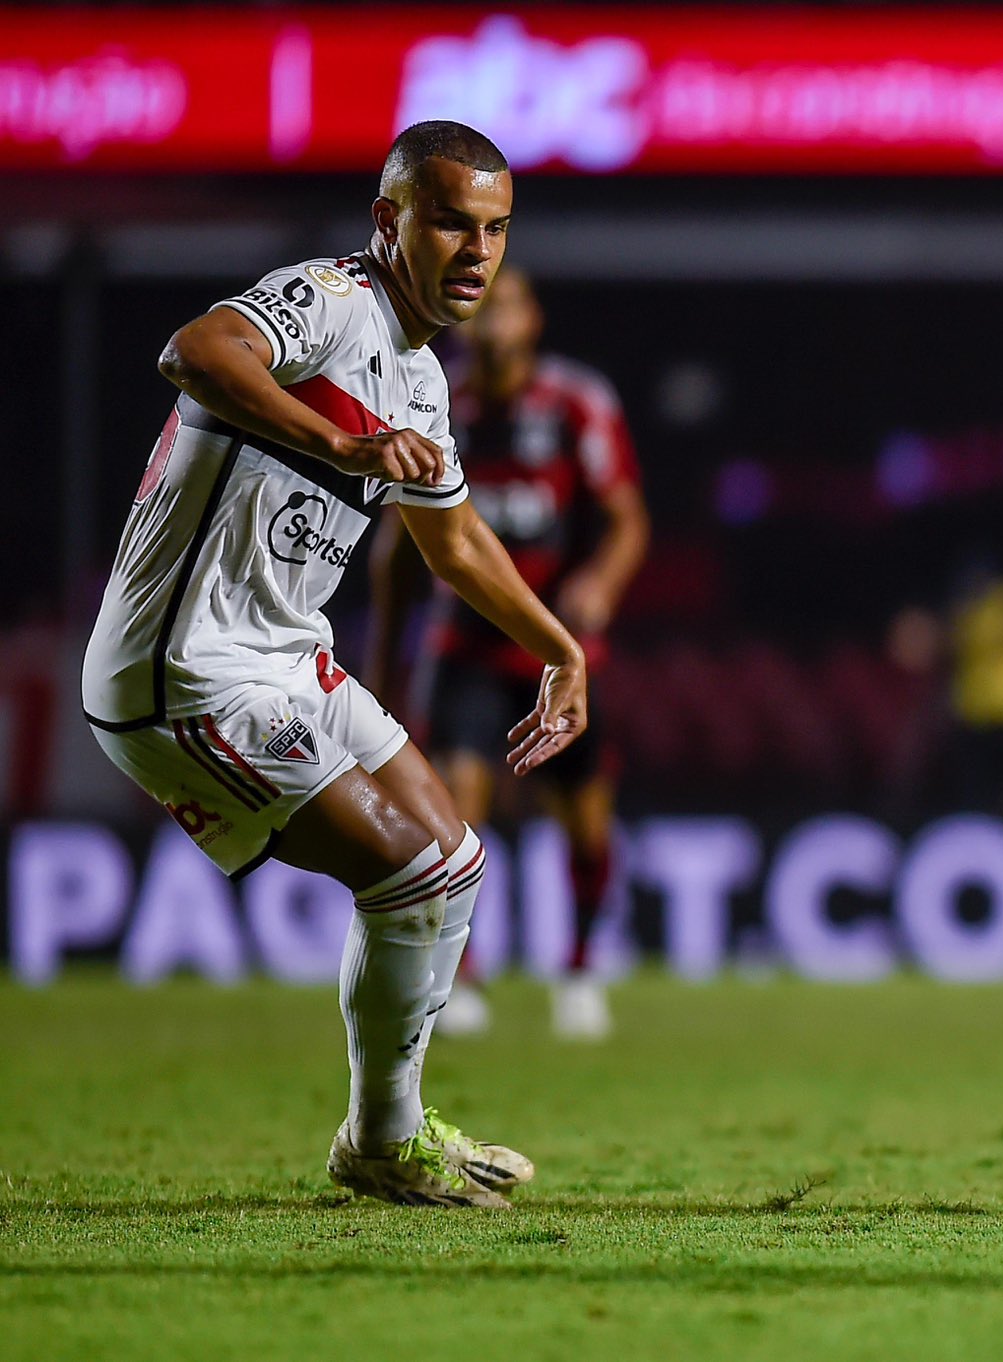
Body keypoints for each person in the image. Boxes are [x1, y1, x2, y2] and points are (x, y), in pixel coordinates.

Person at [81, 121, 587, 1208]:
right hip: (187, 671)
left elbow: (450, 541)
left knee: (454, 859)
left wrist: (557, 645)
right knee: (411, 871)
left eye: (494, 231)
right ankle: (382, 1140)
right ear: (388, 220)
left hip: (282, 657)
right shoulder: (333, 297)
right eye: (451, 221)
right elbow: (195, 351)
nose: (475, 253)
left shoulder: (419, 379)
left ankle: (380, 1136)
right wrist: (344, 446)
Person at [369, 267, 648, 1040]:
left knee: (586, 825)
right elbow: (395, 553)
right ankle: (464, 978)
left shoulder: (576, 403)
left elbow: (628, 520)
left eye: (509, 301)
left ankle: (584, 968)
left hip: (556, 650)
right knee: (456, 814)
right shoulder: (433, 399)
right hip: (461, 644)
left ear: (534, 320)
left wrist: (599, 582)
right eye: (482, 302)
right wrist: (383, 669)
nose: (492, 312)